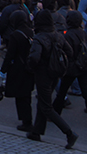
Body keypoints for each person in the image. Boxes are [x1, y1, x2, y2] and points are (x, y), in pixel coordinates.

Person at [26, 11, 78, 149]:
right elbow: (70, 52)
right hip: (55, 72)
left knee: (46, 106)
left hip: (43, 73)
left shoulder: (39, 37)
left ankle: (69, 133)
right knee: (43, 102)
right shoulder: (58, 36)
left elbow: (34, 57)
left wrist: (31, 67)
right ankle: (36, 132)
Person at [52, 11, 87, 129]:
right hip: (83, 65)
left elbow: (66, 52)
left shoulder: (68, 34)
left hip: (72, 66)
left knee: (62, 91)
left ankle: (55, 114)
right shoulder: (82, 33)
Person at [0, 10, 35, 132]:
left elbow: (10, 55)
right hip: (30, 67)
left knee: (20, 96)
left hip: (18, 68)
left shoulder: (15, 35)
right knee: (27, 95)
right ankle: (28, 118)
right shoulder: (31, 32)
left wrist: (3, 69)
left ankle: (26, 121)